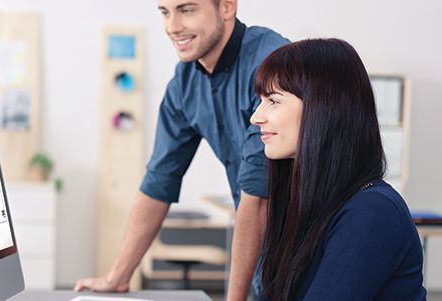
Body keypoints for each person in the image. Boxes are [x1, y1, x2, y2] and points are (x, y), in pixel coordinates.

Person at [74, 0, 288, 299]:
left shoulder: (272, 63)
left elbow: (258, 198)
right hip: (259, 255)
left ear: (227, 7)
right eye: (165, 12)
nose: (172, 27)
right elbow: (159, 180)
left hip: (307, 251)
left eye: (187, 9)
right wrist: (117, 277)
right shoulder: (185, 83)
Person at [250, 38, 427, 300]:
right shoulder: (302, 202)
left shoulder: (372, 212)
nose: (256, 117)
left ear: (322, 108)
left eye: (273, 101)